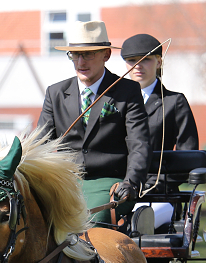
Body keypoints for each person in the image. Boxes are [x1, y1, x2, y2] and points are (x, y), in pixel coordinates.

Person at [36, 20, 150, 226]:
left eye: (88, 54)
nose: (81, 62)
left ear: (106, 55)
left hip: (110, 185)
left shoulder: (127, 91)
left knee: (90, 219)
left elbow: (139, 143)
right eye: (75, 55)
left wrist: (131, 183)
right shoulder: (55, 93)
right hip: (65, 183)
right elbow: (40, 142)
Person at [122, 33, 199, 229]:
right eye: (132, 60)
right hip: (117, 190)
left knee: (138, 225)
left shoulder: (174, 103)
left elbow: (187, 155)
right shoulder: (115, 103)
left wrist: (156, 183)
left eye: (145, 60)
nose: (137, 66)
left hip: (159, 193)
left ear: (158, 62)